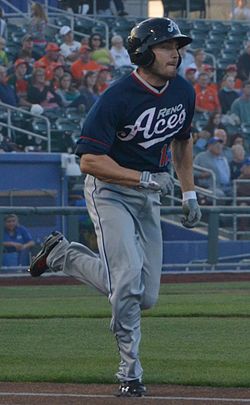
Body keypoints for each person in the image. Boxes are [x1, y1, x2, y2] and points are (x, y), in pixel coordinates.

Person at [28, 17, 201, 397]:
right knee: (126, 281)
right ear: (143, 52)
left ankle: (64, 256)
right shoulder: (117, 97)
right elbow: (88, 160)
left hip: (148, 194)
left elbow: (183, 140)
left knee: (146, 295)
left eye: (177, 46)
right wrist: (142, 179)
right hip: (109, 190)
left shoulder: (183, 92)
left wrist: (189, 193)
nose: (176, 53)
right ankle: (130, 371)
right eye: (167, 46)